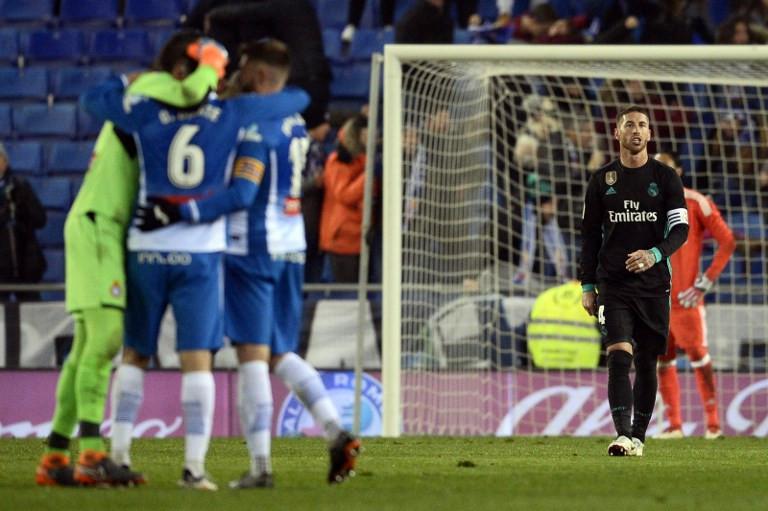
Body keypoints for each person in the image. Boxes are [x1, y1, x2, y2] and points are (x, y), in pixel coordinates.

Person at [81, 36, 309, 490]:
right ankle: (193, 469)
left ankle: (119, 455)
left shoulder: (144, 111)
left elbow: (94, 99)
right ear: (209, 74)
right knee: (197, 361)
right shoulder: (228, 114)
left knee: (135, 353)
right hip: (201, 254)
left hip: (146, 247)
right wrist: (214, 80)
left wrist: (141, 80)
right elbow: (297, 98)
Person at [142, 39, 362, 488]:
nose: (237, 75)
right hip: (291, 248)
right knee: (280, 351)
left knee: (252, 357)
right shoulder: (295, 122)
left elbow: (243, 193)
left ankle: (261, 467)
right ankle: (336, 431)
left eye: (243, 69)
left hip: (252, 249)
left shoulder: (256, 127)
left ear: (259, 77)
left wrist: (184, 212)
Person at [35, 32, 226, 488]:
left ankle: (56, 456)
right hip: (101, 224)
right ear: (183, 67)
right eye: (204, 69)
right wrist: (212, 61)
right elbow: (191, 92)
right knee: (105, 343)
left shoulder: (143, 93)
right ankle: (92, 455)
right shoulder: (159, 86)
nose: (212, 83)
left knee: (84, 350)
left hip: (95, 222)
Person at [579, 105, 689, 457]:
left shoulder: (666, 178)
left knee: (646, 361)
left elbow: (681, 230)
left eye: (642, 125)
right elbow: (589, 237)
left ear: (650, 134)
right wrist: (586, 286)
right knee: (618, 355)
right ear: (617, 133)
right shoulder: (602, 180)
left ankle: (637, 438)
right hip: (613, 283)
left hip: (655, 284)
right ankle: (622, 434)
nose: (636, 130)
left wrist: (654, 254)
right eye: (629, 125)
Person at [653, 151, 735, 440]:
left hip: (686, 300)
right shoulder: (643, 205)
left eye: (667, 168)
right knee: (662, 359)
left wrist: (705, 282)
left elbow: (727, 241)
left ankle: (713, 425)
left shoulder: (696, 201)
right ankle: (673, 425)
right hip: (655, 300)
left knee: (699, 356)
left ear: (680, 171)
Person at [319, 114, 368, 283]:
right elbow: (344, 195)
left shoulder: (363, 160)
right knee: (342, 298)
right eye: (365, 135)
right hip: (341, 238)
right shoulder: (337, 160)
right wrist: (368, 176)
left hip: (359, 235)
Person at [0, 143, 46, 302]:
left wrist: (20, 208)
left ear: (5, 161)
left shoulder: (20, 186)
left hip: (26, 264)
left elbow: (40, 219)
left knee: (34, 317)